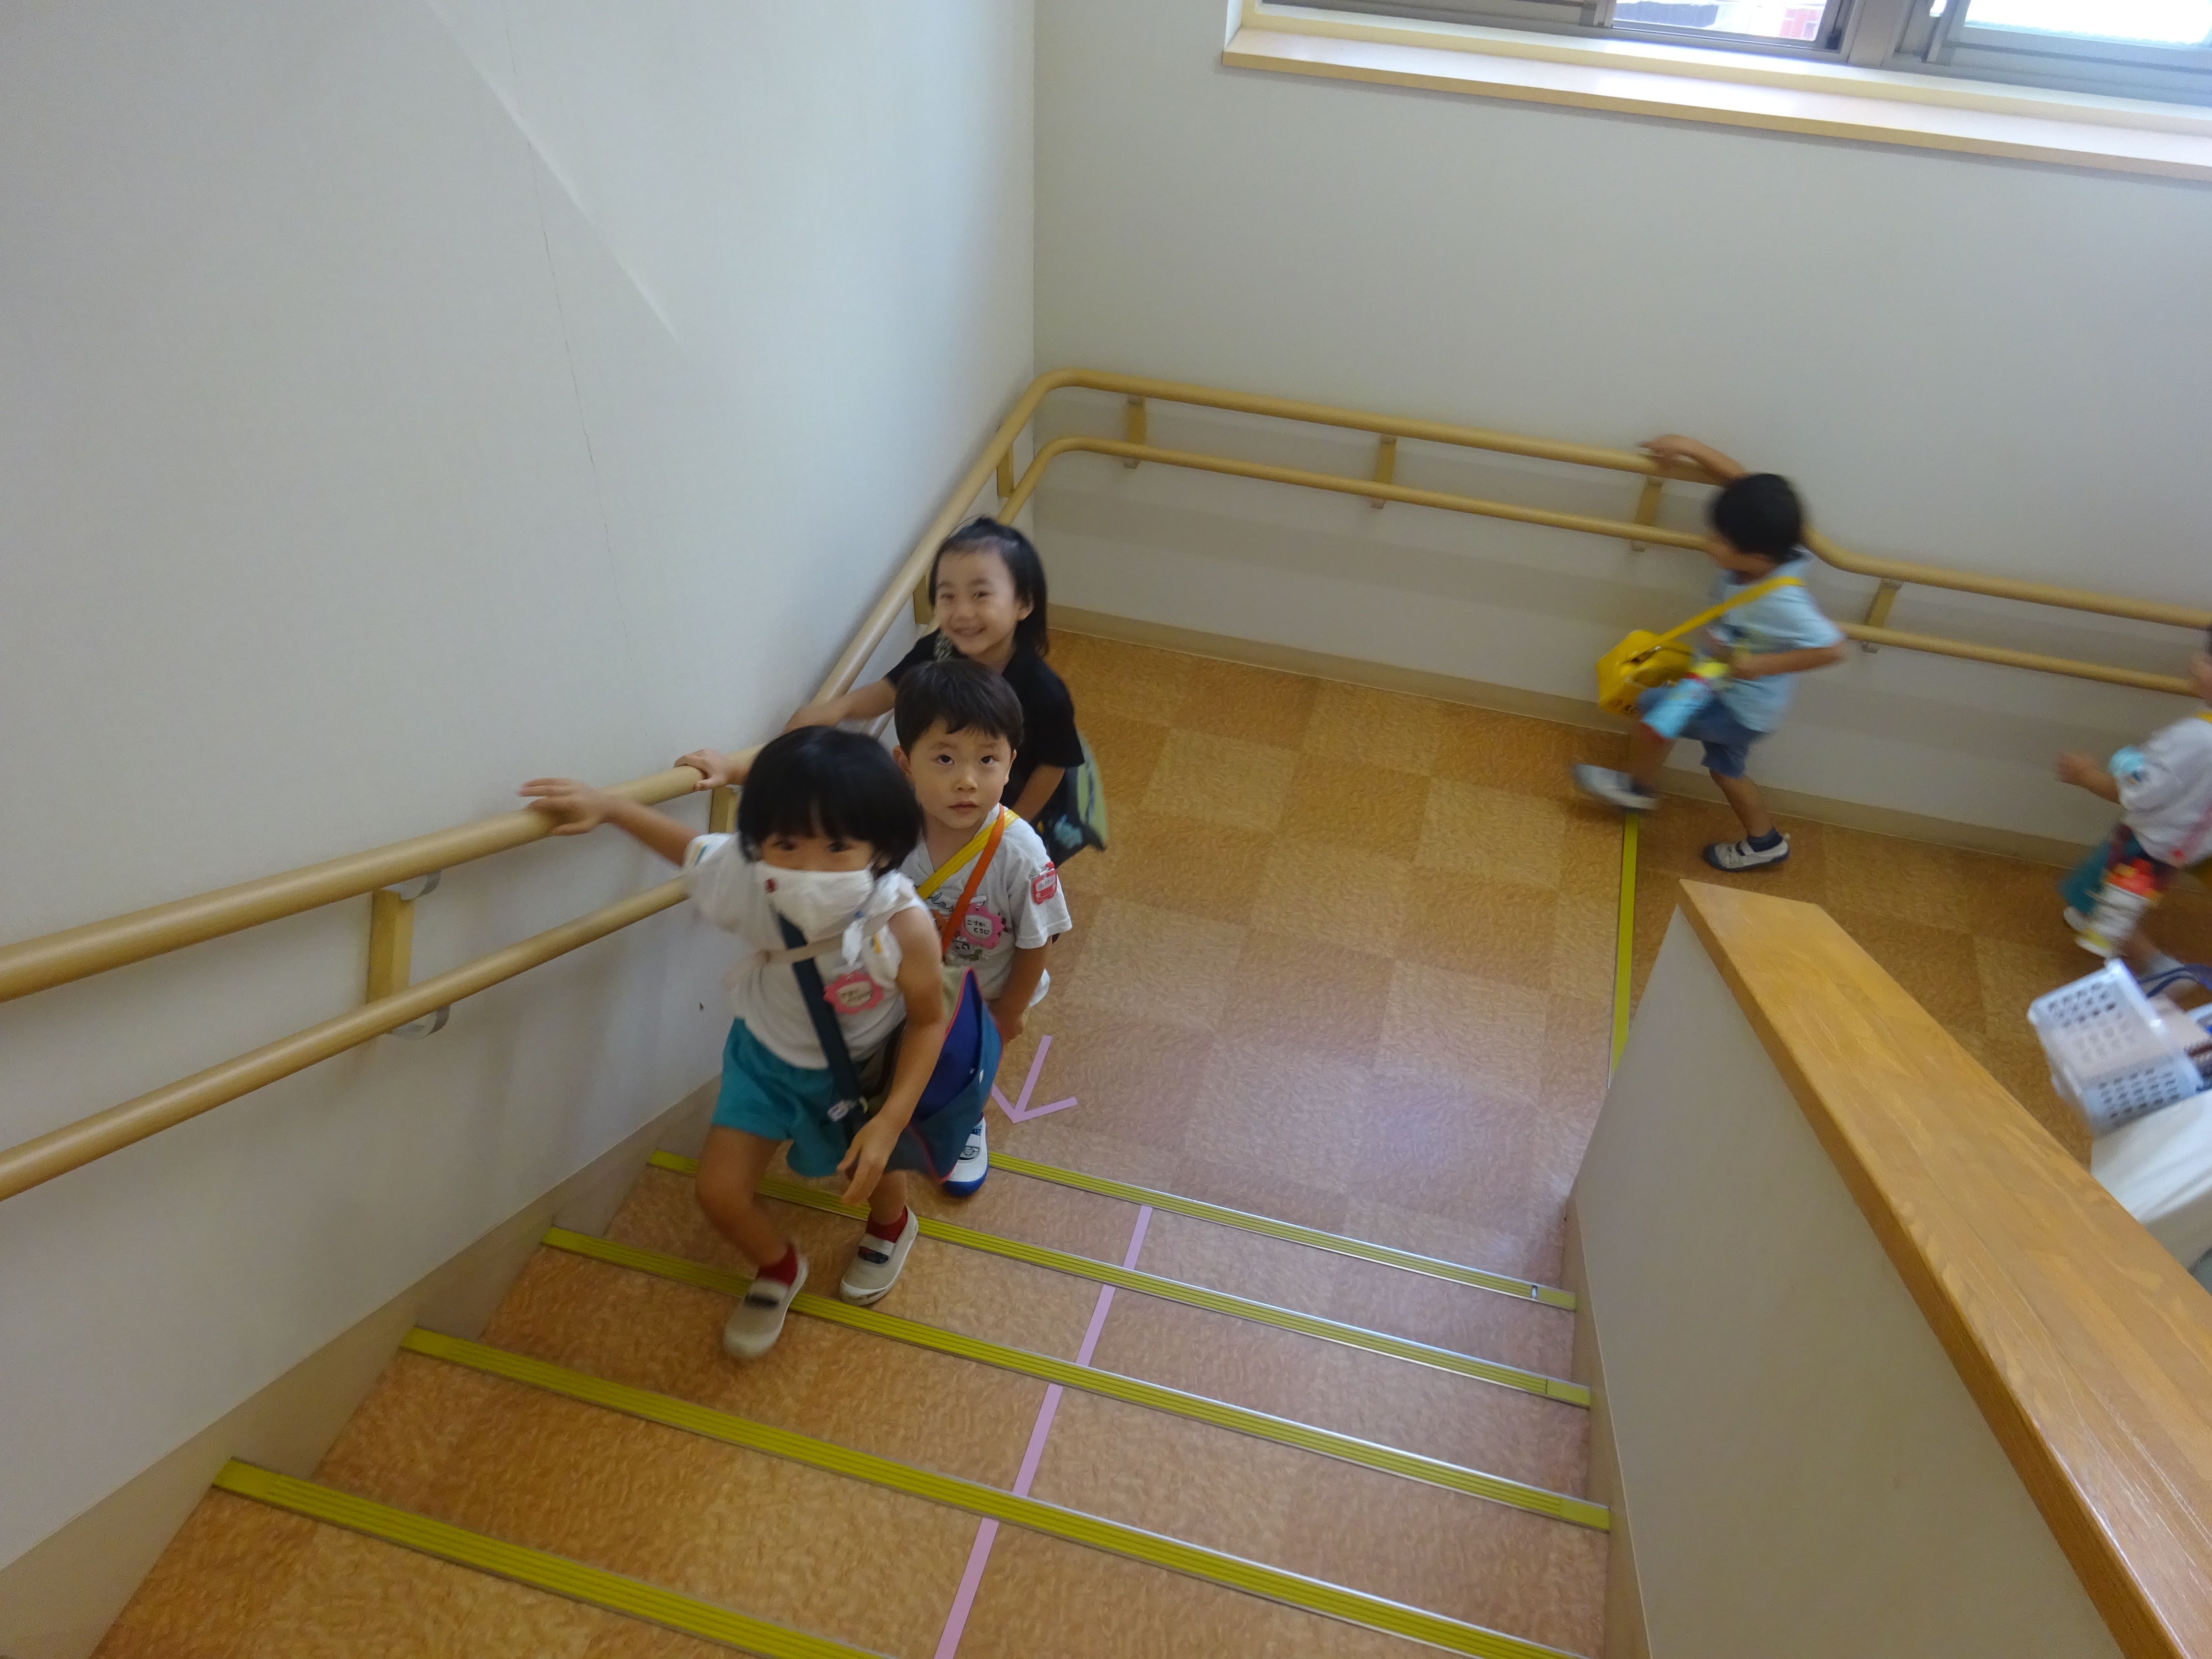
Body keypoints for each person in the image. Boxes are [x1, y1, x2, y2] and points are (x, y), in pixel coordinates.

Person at [519, 728, 954, 1361]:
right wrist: (610, 808)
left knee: (873, 1168)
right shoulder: (748, 877)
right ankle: (778, 1266)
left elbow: (928, 1021)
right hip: (764, 1060)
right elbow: (691, 849)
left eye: (837, 846)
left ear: (881, 847)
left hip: (860, 1069)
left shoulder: (903, 923)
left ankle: (892, 1224)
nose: (807, 867)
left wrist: (889, 1121)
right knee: (718, 1193)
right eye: (786, 844)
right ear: (759, 842)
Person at [1573, 436, 1847, 871]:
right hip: (1731, 693)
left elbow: (1834, 649)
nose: (1708, 543)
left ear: (1754, 555)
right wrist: (1689, 448)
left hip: (1737, 703)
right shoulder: (1771, 538)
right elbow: (1740, 482)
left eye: (1718, 539)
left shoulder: (1783, 600)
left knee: (1654, 712)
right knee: (1726, 771)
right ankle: (1766, 843)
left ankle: (1636, 791)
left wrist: (1759, 665)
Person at [769, 519, 1098, 858]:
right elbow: (890, 690)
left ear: (1024, 603)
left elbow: (1052, 766)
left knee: (1004, 872)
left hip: (1012, 798)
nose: (962, 612)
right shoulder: (939, 650)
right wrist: (837, 709)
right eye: (948, 596)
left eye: (981, 595)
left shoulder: (1043, 691)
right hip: (954, 789)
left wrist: (1014, 825)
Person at [891, 660, 1073, 1195]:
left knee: (968, 1068)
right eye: (944, 758)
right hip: (913, 983)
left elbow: (1038, 939)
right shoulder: (891, 829)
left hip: (985, 995)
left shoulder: (1021, 853)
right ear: (905, 763)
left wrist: (1009, 1011)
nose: (967, 780)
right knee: (909, 1053)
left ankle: (968, 1120)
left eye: (987, 759)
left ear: (1011, 763)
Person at [2054, 632, 2212, 970]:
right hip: (2186, 844)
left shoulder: (2195, 738)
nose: (2196, 660)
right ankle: (2091, 914)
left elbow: (2140, 793)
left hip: (2149, 844)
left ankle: (2161, 968)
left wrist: (2089, 774)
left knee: (2113, 904)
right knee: (2115, 893)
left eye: (2208, 659)